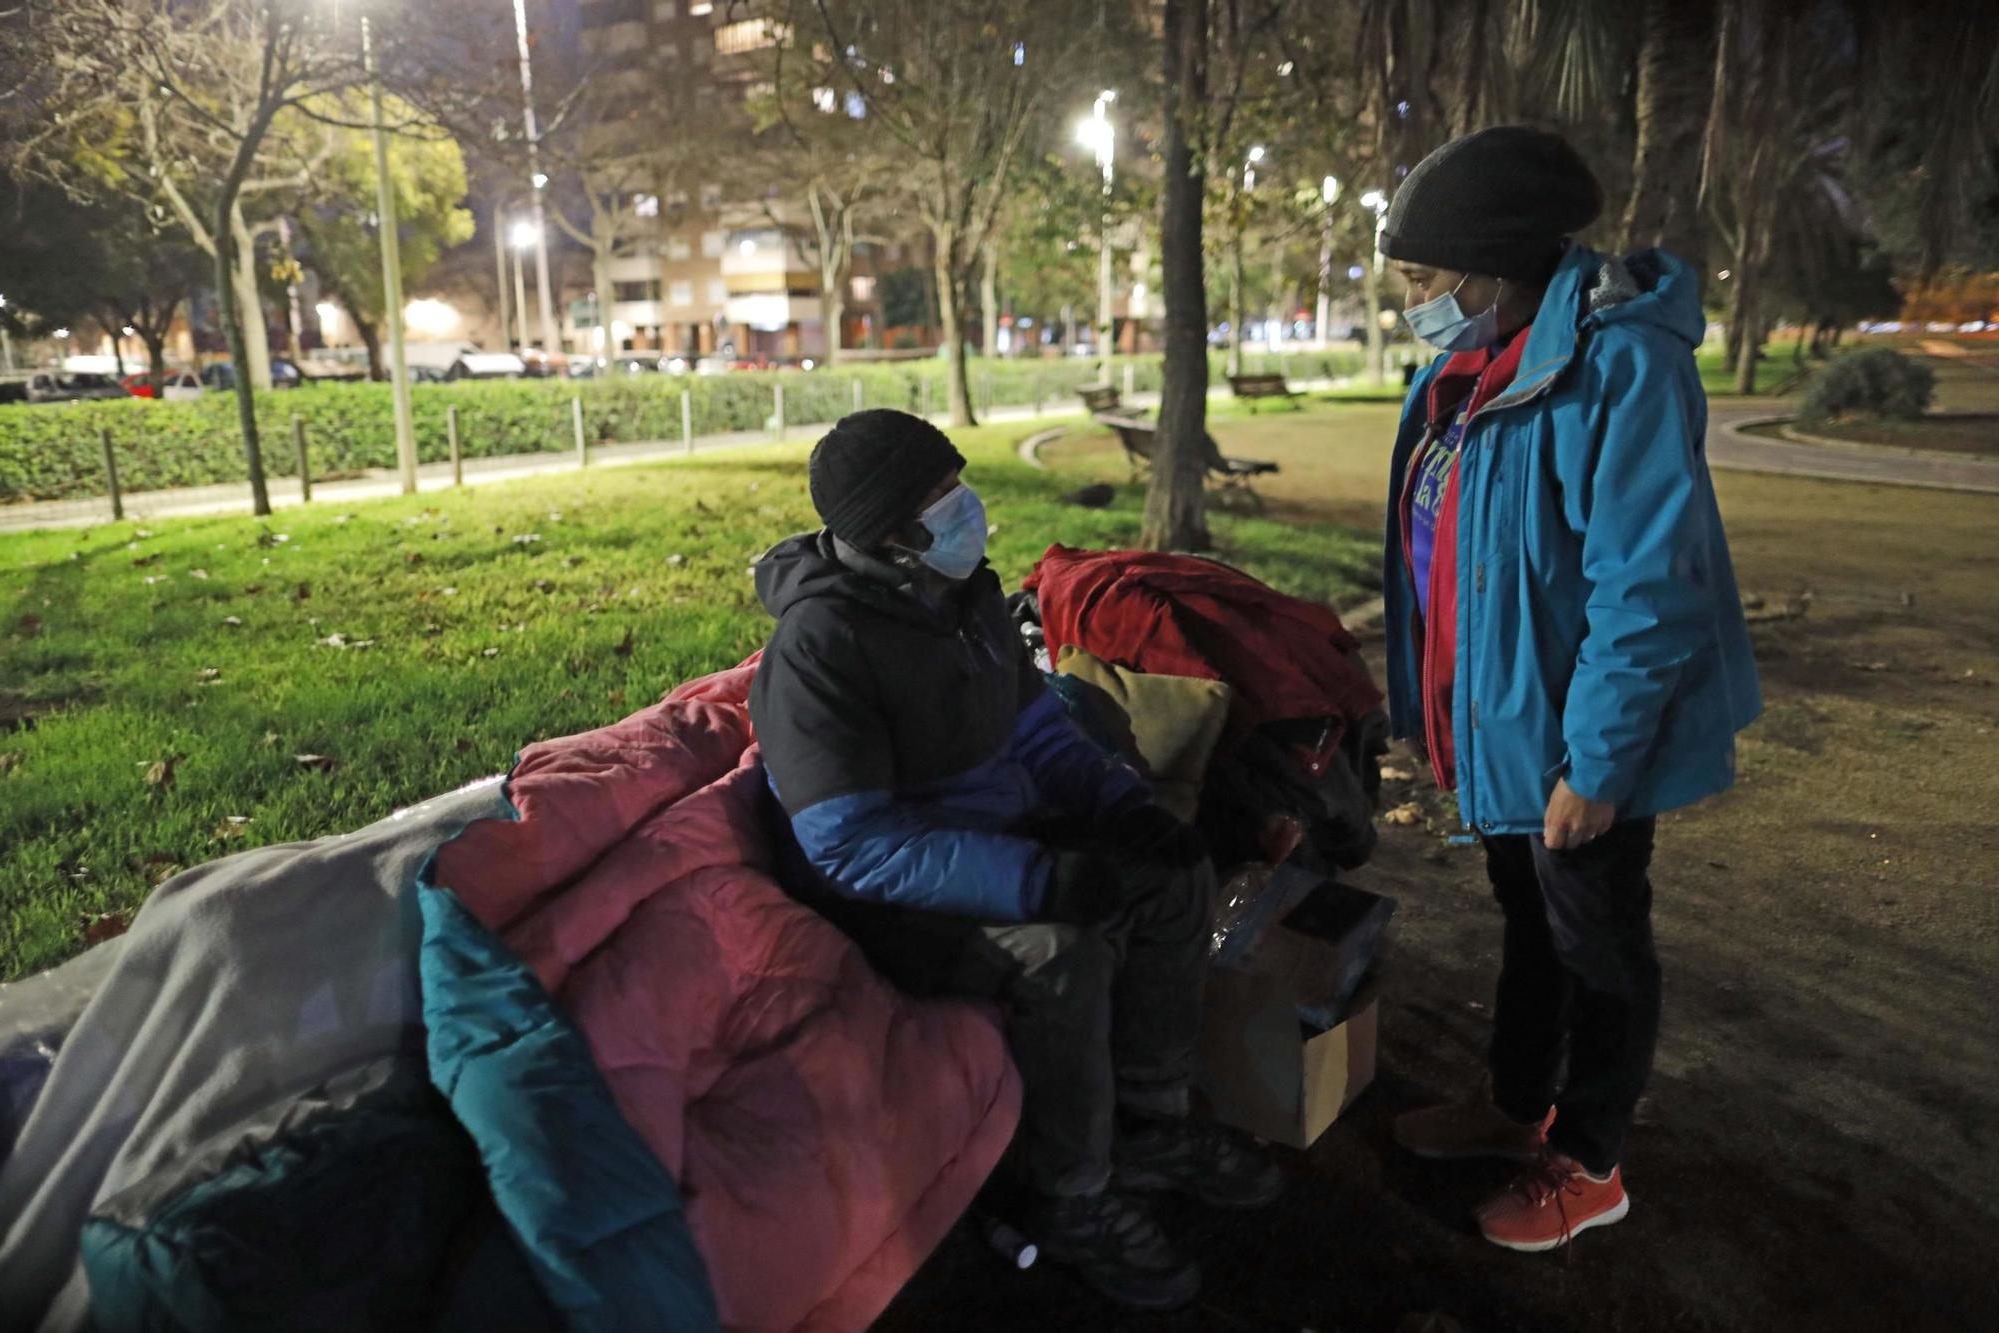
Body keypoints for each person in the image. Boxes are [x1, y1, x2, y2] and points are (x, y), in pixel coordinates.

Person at [748, 409, 1282, 1310]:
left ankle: (1150, 1124)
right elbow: (850, 844)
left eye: (956, 484)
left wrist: (1122, 803)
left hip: (998, 842)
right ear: (888, 532)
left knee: (1175, 872)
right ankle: (1070, 1198)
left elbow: (1035, 724)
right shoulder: (820, 649)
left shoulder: (961, 598)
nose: (967, 508)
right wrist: (1039, 880)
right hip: (898, 901)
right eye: (938, 498)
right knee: (1062, 954)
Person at [1376, 126, 1761, 1252]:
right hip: (1501, 724)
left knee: (1596, 942)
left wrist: (1593, 768)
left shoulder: (1619, 366)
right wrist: (1437, 716)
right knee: (1526, 924)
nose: (1410, 302)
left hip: (1581, 739)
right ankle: (1510, 1107)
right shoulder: (1475, 358)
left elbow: (1645, 587)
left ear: (1491, 264)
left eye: (1418, 279)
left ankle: (1590, 1162)